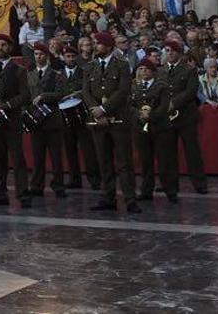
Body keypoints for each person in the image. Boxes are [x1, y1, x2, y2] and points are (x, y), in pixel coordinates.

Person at [82, 31, 139, 213]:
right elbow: (85, 91)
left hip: (118, 119)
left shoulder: (121, 65)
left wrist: (104, 109)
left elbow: (123, 91)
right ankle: (108, 196)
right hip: (98, 121)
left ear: (107, 46)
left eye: (97, 43)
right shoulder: (89, 66)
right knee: (103, 161)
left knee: (124, 162)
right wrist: (96, 111)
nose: (94, 46)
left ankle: (130, 198)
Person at [0, 34, 31, 208]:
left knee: (17, 158)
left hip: (11, 120)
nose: (0, 48)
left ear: (9, 48)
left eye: (3, 45)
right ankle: (0, 193)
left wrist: (8, 105)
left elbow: (25, 95)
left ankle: (23, 193)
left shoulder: (19, 70)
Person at [162, 40, 208, 195]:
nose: (170, 53)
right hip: (167, 118)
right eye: (167, 50)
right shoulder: (161, 71)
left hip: (186, 116)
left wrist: (173, 103)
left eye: (173, 51)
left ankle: (199, 183)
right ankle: (170, 184)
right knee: (168, 153)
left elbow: (190, 91)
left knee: (192, 151)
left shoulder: (188, 70)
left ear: (179, 53)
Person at [130, 56, 178, 203]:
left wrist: (150, 117)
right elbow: (129, 105)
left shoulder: (161, 86)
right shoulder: (134, 87)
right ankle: (146, 190)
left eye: (147, 69)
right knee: (145, 162)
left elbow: (164, 106)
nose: (144, 72)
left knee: (164, 162)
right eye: (141, 69)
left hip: (160, 128)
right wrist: (139, 114)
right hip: (141, 129)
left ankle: (170, 191)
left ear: (153, 72)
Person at [26, 42, 66, 198]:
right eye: (36, 54)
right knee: (37, 156)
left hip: (52, 119)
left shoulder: (56, 74)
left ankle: (58, 185)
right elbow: (27, 95)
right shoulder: (30, 75)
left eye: (41, 54)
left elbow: (60, 93)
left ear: (47, 56)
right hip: (37, 120)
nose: (38, 57)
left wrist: (44, 96)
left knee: (56, 157)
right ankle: (37, 185)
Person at [60, 44, 99, 189]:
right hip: (65, 114)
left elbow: (88, 90)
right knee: (70, 148)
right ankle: (74, 179)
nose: (70, 59)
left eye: (72, 56)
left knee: (88, 148)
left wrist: (79, 94)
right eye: (67, 56)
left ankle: (94, 178)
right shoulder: (59, 74)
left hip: (82, 114)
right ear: (63, 58)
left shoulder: (84, 72)